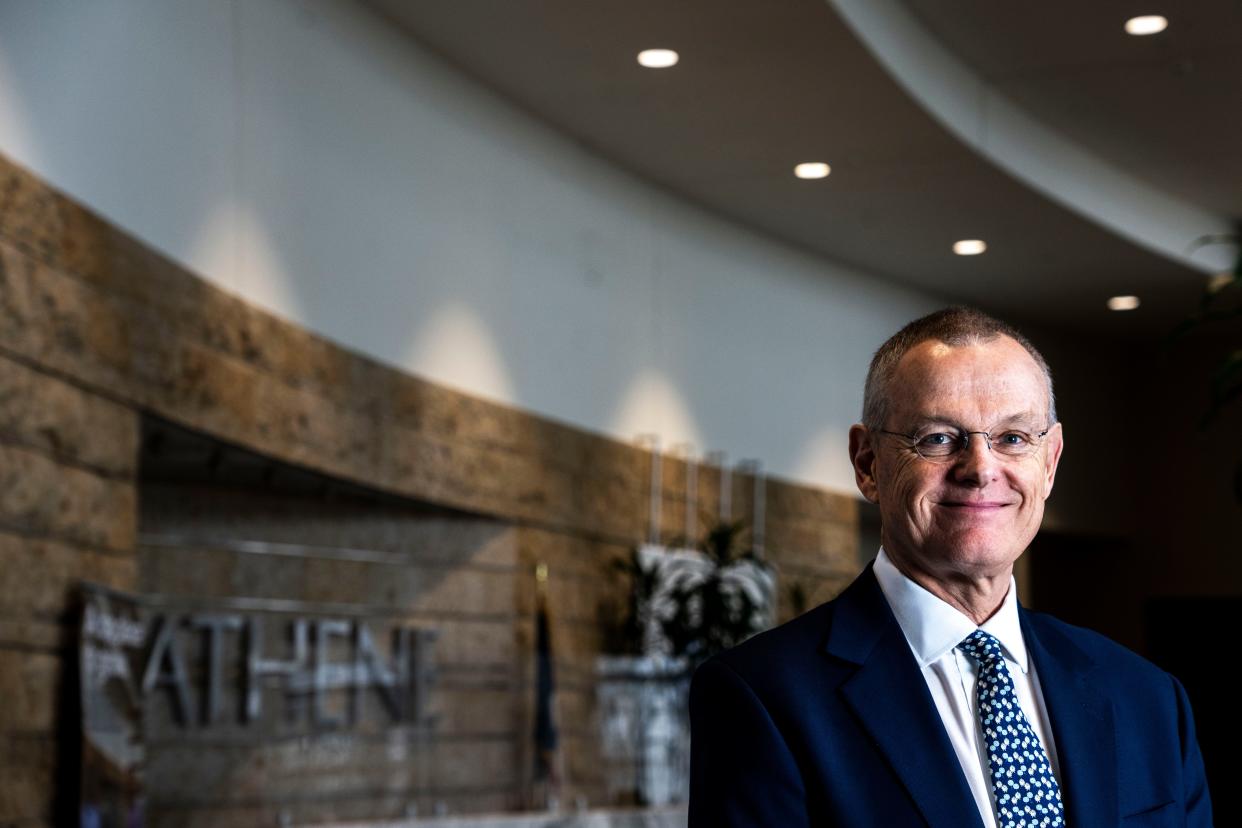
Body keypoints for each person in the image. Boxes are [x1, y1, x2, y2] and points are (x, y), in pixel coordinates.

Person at [688, 307, 1212, 827]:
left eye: (1013, 438)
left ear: (1049, 463)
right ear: (867, 463)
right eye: (938, 438)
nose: (981, 469)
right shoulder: (764, 697)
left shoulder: (1147, 698)